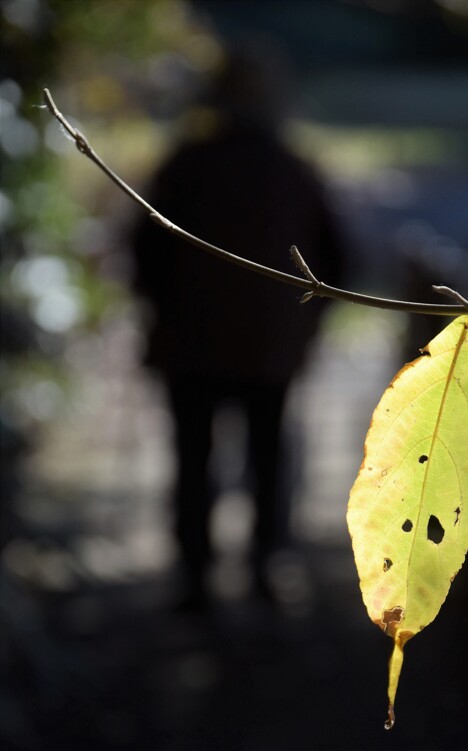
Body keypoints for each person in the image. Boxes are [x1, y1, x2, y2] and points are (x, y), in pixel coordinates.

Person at [131, 49, 345, 608]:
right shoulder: (294, 170)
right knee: (268, 456)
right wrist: (304, 327)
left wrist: (163, 314)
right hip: (267, 350)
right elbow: (340, 261)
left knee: (193, 456)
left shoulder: (186, 165)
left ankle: (197, 574)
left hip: (192, 346)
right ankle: (265, 563)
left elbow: (143, 254)